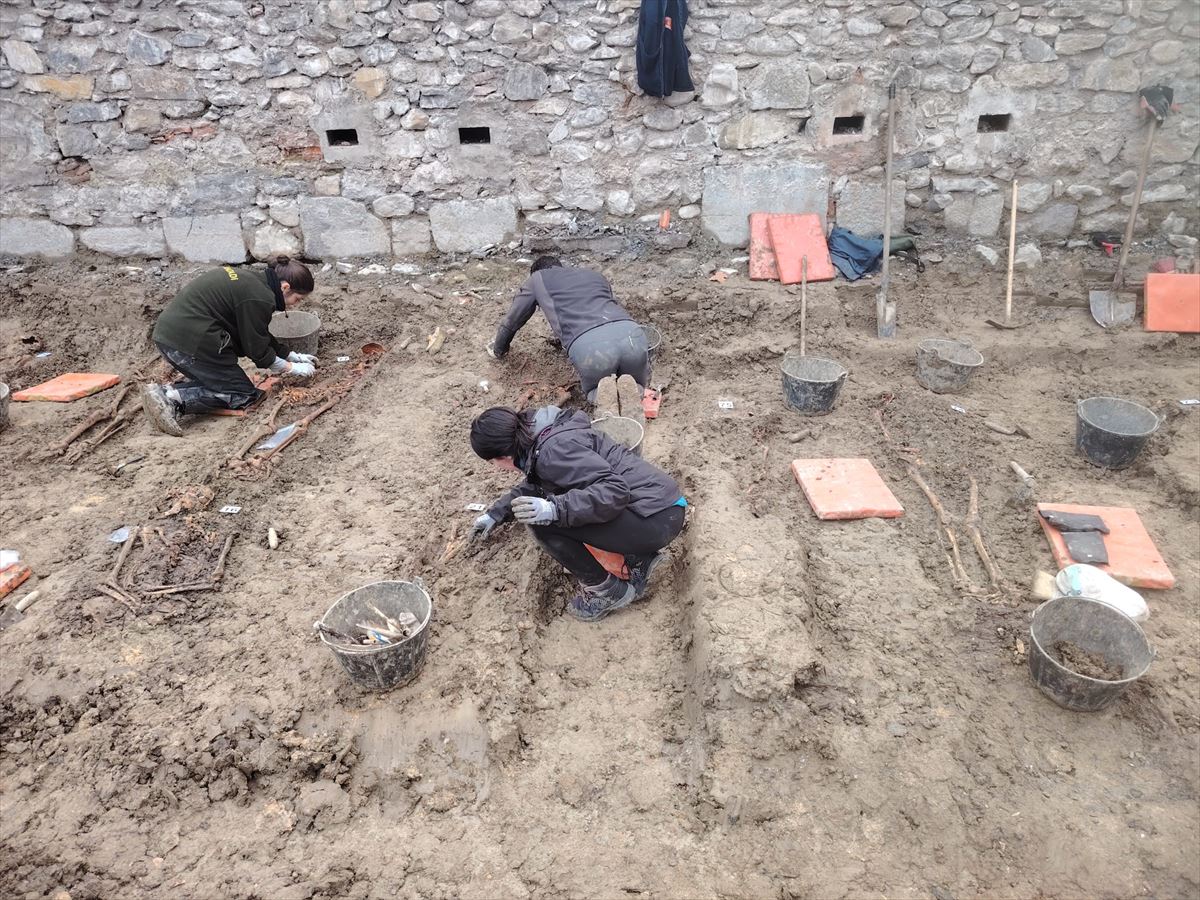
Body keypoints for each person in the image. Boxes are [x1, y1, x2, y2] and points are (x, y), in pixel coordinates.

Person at [468, 404, 687, 622]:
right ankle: (641, 560)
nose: (495, 467)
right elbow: (539, 483)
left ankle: (606, 591)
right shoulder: (548, 436)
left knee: (542, 522)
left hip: (655, 520)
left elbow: (613, 492)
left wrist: (555, 509)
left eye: (492, 462)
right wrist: (496, 513)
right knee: (558, 504)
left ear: (503, 456)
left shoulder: (553, 452)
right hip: (662, 508)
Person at [142, 256, 318, 436]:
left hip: (170, 338)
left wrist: (290, 355)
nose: (296, 304)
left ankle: (162, 393)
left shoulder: (252, 282)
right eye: (298, 298)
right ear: (285, 287)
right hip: (190, 344)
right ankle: (171, 398)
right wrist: (290, 368)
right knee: (244, 395)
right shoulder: (260, 298)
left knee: (223, 382)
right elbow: (256, 348)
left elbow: (257, 333)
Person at [487, 256, 650, 402]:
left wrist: (499, 349)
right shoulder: (593, 274)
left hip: (591, 348)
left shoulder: (537, 278)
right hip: (632, 335)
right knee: (634, 384)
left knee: (596, 391)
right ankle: (635, 392)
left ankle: (603, 397)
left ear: (535, 271)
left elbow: (512, 320)